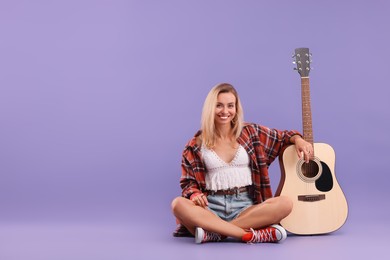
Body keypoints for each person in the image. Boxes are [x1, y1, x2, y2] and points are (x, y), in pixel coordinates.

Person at [171, 83, 313, 244]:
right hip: (210, 208)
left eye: (230, 106)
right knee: (178, 204)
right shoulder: (196, 144)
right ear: (210, 108)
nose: (225, 111)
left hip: (245, 207)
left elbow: (284, 137)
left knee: (285, 203)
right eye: (219, 106)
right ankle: (249, 235)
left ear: (236, 109)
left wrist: (298, 140)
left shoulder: (250, 133)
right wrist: (195, 194)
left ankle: (216, 233)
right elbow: (188, 183)